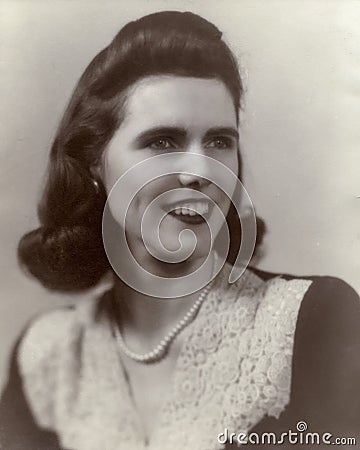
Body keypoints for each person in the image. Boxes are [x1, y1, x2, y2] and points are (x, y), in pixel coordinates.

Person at [0, 10, 359, 450]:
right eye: (163, 142)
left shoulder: (313, 323)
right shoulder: (49, 357)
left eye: (219, 141)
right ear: (95, 164)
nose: (200, 172)